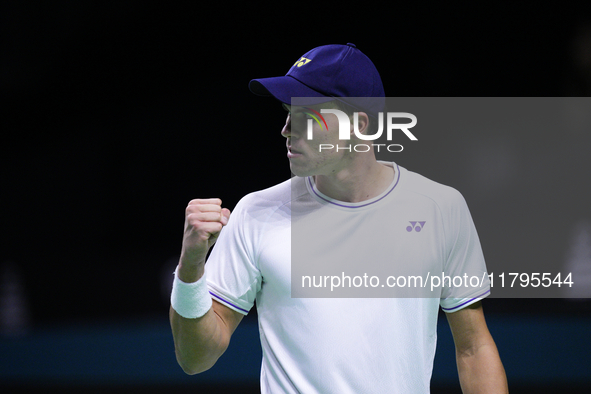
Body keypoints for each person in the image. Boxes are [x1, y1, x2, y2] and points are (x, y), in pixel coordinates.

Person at [169, 43, 508, 393]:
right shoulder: (256, 213)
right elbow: (195, 359)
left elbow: (473, 349)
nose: (286, 128)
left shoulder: (440, 208)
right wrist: (191, 267)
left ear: (358, 125)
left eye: (306, 116)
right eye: (287, 111)